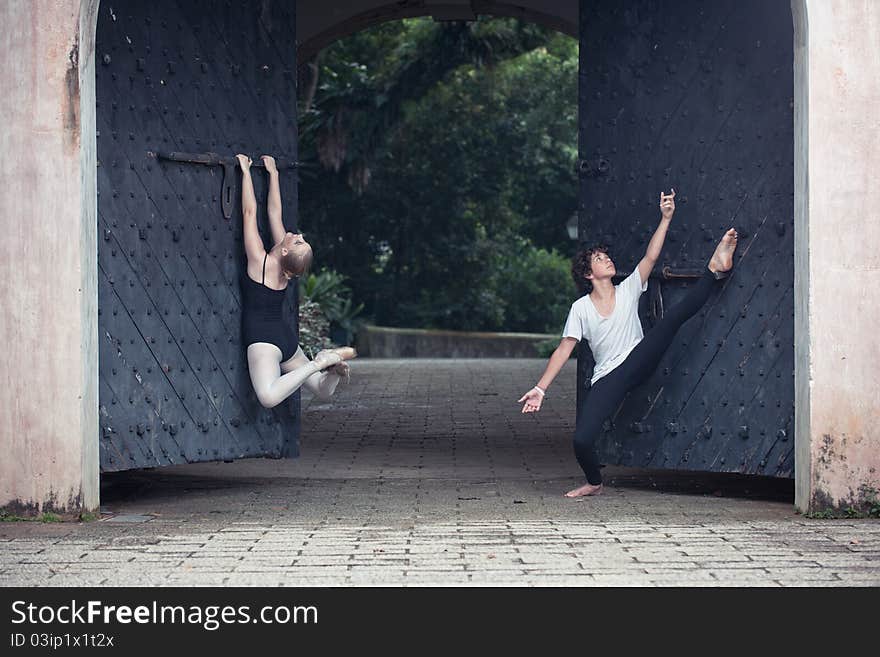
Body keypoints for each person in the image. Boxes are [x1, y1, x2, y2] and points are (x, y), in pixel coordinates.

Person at [518, 189, 738, 497]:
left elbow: (650, 256)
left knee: (671, 320)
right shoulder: (580, 308)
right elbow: (564, 348)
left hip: (639, 359)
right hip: (608, 378)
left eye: (606, 256)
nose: (607, 259)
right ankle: (594, 482)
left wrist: (666, 218)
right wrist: (541, 388)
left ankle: (715, 268)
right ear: (587, 273)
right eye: (599, 258)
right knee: (582, 440)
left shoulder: (629, 288)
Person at [237, 153, 356, 408]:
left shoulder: (261, 262)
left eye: (299, 240)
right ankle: (332, 369)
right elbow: (274, 213)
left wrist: (245, 173)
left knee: (268, 397)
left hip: (263, 340)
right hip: (284, 336)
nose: (298, 234)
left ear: (284, 251)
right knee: (323, 391)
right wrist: (274, 175)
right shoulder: (284, 264)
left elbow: (249, 213)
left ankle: (319, 363)